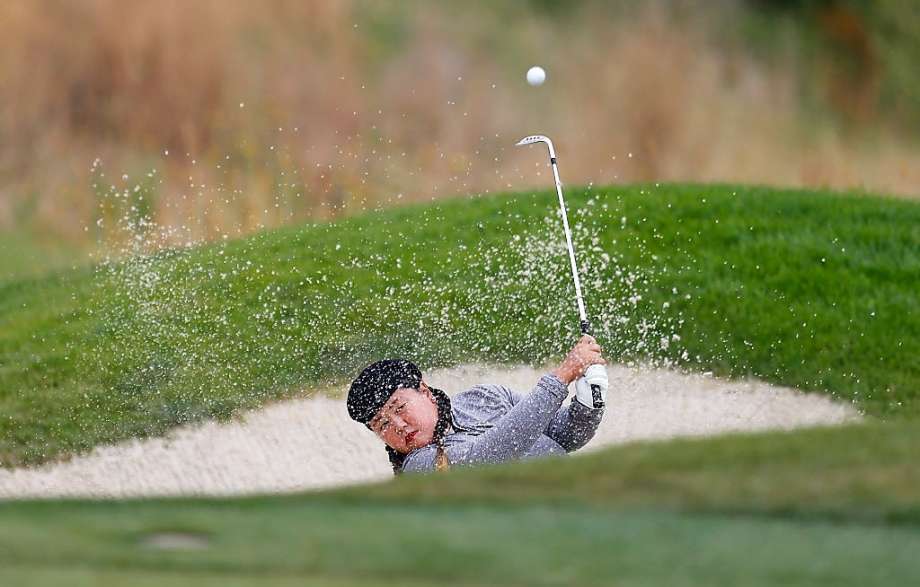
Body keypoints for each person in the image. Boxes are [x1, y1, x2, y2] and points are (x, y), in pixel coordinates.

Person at [346, 335, 607, 475]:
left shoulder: (486, 397)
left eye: (399, 407)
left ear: (423, 391)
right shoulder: (419, 467)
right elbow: (488, 457)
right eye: (382, 424)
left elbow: (568, 435)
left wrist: (589, 402)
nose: (398, 426)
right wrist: (561, 377)